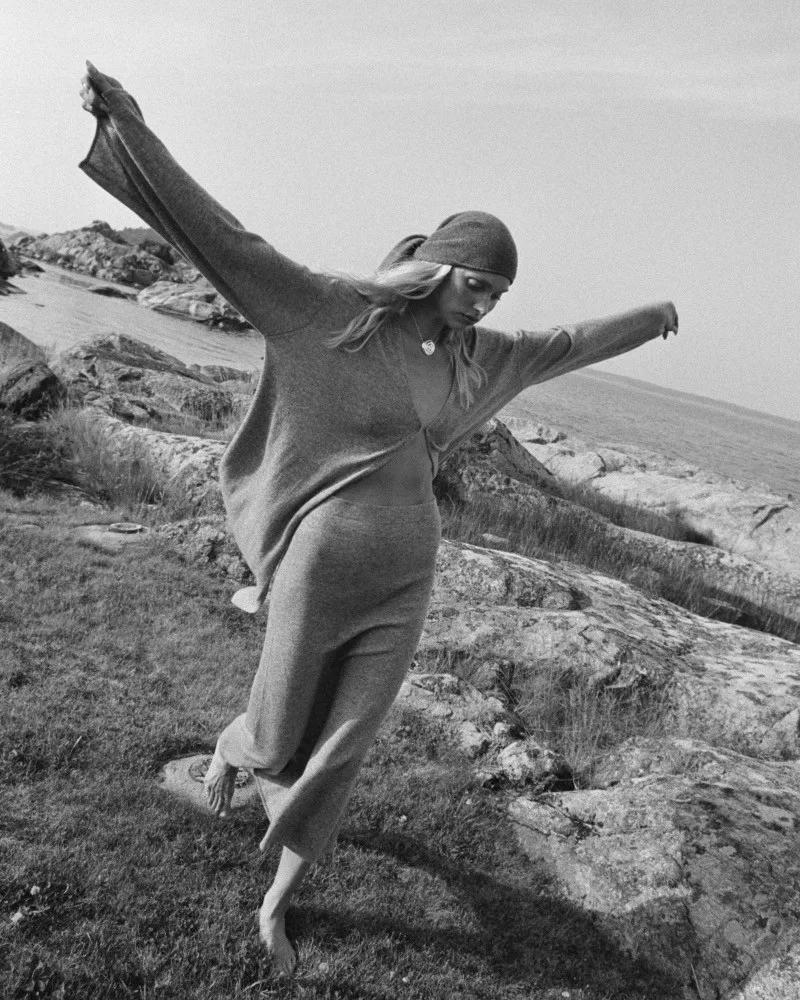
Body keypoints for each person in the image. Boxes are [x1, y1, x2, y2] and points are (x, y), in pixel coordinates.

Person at [79, 61, 678, 973]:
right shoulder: (332, 312)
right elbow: (223, 239)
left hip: (407, 570)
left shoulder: (480, 358)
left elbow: (565, 345)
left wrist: (650, 315)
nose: (486, 302)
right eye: (477, 282)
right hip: (322, 559)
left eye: (498, 293)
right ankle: (236, 751)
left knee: (347, 742)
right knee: (279, 727)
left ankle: (277, 903)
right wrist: (127, 124)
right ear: (439, 264)